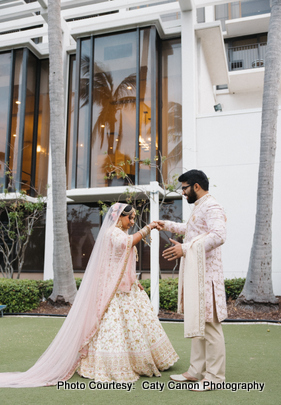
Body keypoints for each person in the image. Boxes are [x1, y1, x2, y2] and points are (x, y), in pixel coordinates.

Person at [0, 203, 178, 387]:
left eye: (133, 218)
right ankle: (110, 365)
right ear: (119, 217)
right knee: (112, 327)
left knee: (135, 327)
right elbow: (127, 243)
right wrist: (148, 228)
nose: (132, 221)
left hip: (127, 289)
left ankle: (141, 360)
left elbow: (123, 263)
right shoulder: (112, 233)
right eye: (129, 217)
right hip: (113, 291)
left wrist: (135, 281)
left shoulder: (121, 233)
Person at [156, 169, 227, 391]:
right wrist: (166, 224)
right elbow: (192, 230)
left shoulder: (212, 206)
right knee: (199, 323)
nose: (183, 193)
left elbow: (219, 235)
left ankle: (215, 378)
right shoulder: (201, 206)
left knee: (211, 328)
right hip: (198, 277)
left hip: (208, 278)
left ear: (196, 186)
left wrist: (185, 249)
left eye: (185, 188)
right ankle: (196, 371)